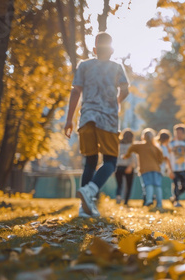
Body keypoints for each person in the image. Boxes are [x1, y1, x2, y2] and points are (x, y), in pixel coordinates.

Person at [64, 32, 129, 218]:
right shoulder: (117, 67)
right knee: (110, 161)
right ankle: (91, 190)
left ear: (94, 49)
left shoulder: (84, 66)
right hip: (107, 119)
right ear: (112, 50)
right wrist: (117, 101)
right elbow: (125, 90)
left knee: (90, 162)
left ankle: (83, 209)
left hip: (86, 119)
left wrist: (69, 119)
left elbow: (75, 92)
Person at [123, 129, 165, 210]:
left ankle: (149, 200)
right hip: (156, 169)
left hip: (145, 169)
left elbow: (131, 148)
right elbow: (161, 158)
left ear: (143, 137)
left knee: (148, 184)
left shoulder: (139, 146)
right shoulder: (156, 147)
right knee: (157, 185)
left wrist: (127, 155)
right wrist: (157, 163)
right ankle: (159, 204)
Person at [169, 124, 185, 207]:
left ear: (183, 133)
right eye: (176, 133)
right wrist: (168, 168)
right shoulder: (171, 143)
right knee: (175, 185)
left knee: (184, 186)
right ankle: (177, 202)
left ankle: (174, 197)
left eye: (179, 133)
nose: (178, 134)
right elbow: (168, 156)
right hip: (174, 168)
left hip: (183, 168)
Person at [115, 129, 137, 205]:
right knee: (128, 185)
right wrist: (131, 166)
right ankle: (126, 201)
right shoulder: (131, 146)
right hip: (128, 166)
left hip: (118, 166)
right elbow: (133, 157)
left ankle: (118, 196)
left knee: (119, 184)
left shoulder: (118, 145)